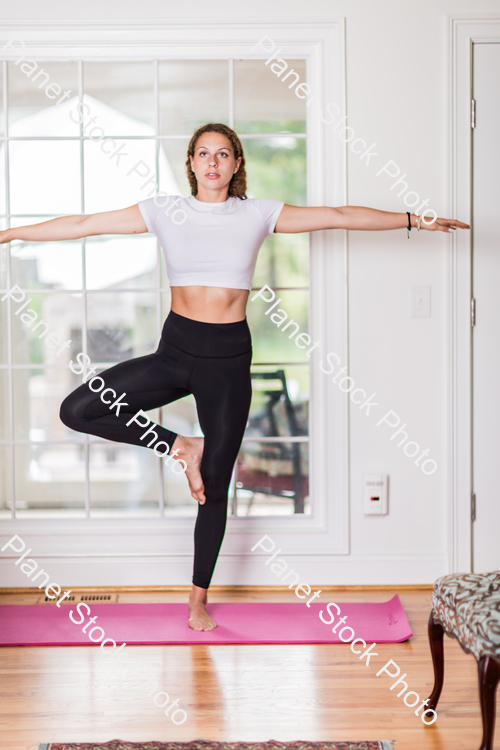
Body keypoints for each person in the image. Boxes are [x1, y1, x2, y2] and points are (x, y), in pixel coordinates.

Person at [0, 122, 470, 631]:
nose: (212, 162)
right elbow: (84, 224)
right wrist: (9, 232)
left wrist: (414, 220)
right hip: (175, 352)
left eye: (223, 154)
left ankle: (197, 598)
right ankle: (181, 445)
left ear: (237, 163)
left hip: (227, 362)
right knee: (78, 409)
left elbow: (337, 215)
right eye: (203, 154)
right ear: (192, 163)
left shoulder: (258, 213)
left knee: (215, 487)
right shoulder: (165, 210)